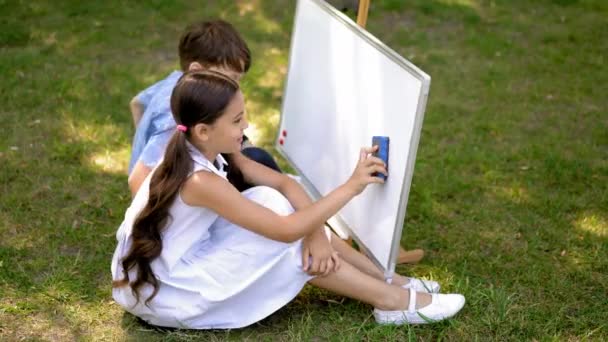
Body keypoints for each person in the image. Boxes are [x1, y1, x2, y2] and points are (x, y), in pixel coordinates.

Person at [111, 70, 465, 329]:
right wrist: (351, 186)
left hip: (178, 261)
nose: (246, 124)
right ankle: (392, 302)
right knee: (291, 246)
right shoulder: (199, 179)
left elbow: (284, 184)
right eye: (237, 120)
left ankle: (388, 280)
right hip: (166, 291)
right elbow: (284, 232)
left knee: (272, 199)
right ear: (204, 130)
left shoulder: (206, 148)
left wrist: (315, 234)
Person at [128, 19, 280, 196]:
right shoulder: (174, 116)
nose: (235, 87)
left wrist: (142, 143)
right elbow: (137, 180)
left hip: (190, 176)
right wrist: (149, 216)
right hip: (181, 195)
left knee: (250, 156)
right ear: (195, 70)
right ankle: (296, 213)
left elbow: (137, 103)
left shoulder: (175, 82)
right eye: (230, 78)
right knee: (257, 158)